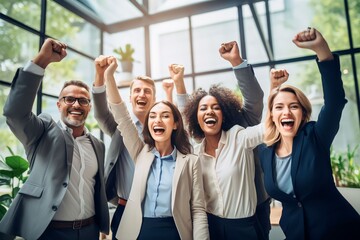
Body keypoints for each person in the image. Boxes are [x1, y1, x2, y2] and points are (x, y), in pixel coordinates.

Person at [0, 38, 109, 240]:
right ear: (59, 105)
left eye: (83, 100)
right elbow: (15, 113)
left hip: (89, 231)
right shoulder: (42, 131)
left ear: (89, 107)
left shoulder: (98, 145)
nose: (76, 104)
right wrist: (42, 61)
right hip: (50, 232)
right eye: (69, 99)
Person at [260, 27, 360, 240]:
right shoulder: (265, 152)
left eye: (293, 106)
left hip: (340, 233)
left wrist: (321, 49)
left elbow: (334, 103)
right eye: (279, 107)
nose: (286, 111)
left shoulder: (315, 136)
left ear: (303, 113)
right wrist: (273, 88)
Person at [101, 55, 209, 239]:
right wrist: (109, 76)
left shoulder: (190, 161)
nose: (157, 120)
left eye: (165, 116)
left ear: (175, 124)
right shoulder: (140, 152)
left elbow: (198, 209)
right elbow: (120, 114)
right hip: (138, 230)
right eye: (153, 116)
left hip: (175, 231)